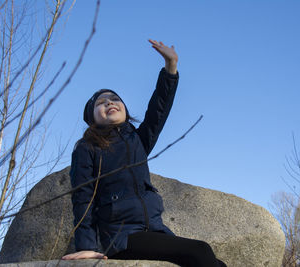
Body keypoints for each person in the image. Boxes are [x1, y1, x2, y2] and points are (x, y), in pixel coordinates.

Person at [62, 40, 226, 267]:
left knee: (217, 263)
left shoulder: (137, 140)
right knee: (200, 251)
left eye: (115, 99)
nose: (110, 102)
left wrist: (171, 66)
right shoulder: (87, 148)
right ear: (92, 118)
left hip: (155, 231)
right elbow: (83, 198)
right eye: (101, 102)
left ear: (125, 111)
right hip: (122, 237)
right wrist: (87, 247)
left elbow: (159, 109)